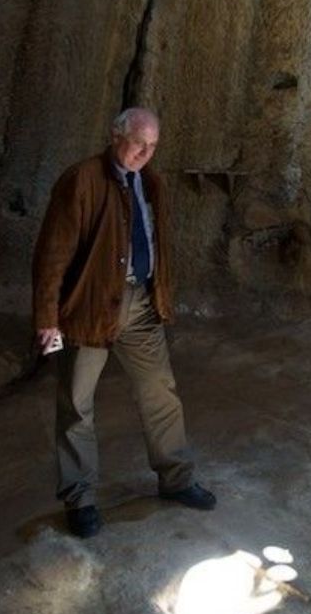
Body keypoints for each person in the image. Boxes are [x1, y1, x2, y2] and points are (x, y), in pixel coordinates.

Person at [33, 106, 216, 537]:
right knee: (77, 405)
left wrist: (159, 292)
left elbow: (153, 241)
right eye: (138, 143)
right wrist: (47, 318)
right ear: (117, 136)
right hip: (91, 308)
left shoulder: (150, 182)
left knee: (160, 392)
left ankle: (177, 479)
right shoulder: (81, 179)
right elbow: (52, 254)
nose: (144, 153)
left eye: (152, 146)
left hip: (140, 303)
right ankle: (80, 499)